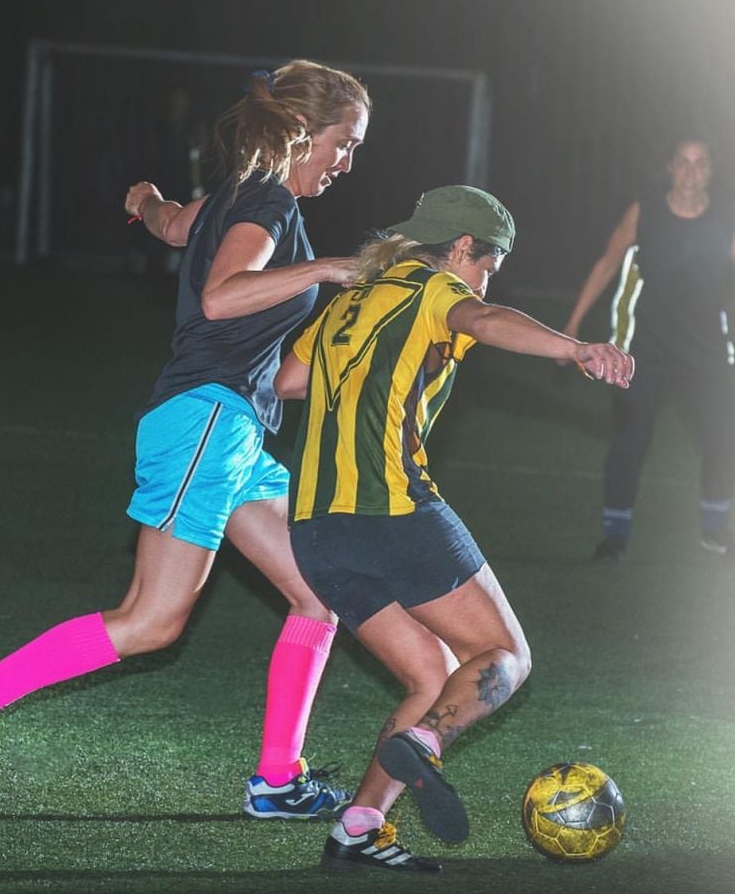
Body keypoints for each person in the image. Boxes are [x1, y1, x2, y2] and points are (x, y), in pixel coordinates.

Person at [0, 60, 371, 817]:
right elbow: (222, 296)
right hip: (205, 421)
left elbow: (173, 223)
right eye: (344, 142)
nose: (347, 162)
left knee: (317, 594)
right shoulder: (263, 202)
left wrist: (148, 200)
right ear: (304, 132)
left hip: (230, 433)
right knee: (151, 620)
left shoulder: (236, 198)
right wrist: (325, 269)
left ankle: (276, 777)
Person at [275, 185, 634, 873]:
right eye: (488, 263)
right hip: (393, 511)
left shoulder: (352, 299)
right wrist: (576, 349)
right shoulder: (435, 290)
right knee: (505, 653)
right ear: (464, 248)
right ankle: (430, 743)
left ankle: (359, 825)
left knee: (432, 673)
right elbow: (486, 318)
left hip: (317, 529)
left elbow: (291, 379)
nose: (484, 278)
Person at [562, 137, 735, 561]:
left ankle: (716, 529)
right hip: (644, 349)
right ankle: (615, 534)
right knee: (630, 439)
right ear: (671, 168)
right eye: (683, 162)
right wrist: (572, 325)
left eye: (700, 164)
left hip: (706, 350)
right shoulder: (646, 211)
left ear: (710, 172)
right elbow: (607, 262)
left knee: (723, 437)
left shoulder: (724, 219)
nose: (691, 171)